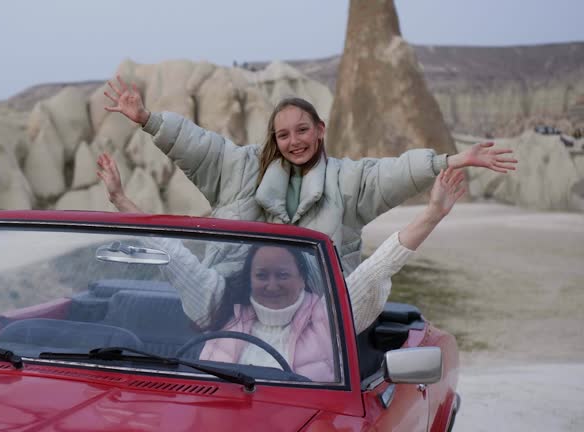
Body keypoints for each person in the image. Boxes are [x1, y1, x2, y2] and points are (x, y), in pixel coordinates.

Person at [97, 152, 466, 381]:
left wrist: (432, 214)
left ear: (300, 277)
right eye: (262, 275)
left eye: (282, 274)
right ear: (250, 278)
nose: (271, 284)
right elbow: (173, 254)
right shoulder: (222, 307)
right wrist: (120, 199)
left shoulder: (328, 316)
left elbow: (378, 267)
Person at [102, 75, 517, 275]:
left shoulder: (348, 181)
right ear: (274, 139)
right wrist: (147, 120)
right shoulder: (240, 168)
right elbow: (198, 145)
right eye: (283, 134)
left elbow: (391, 173)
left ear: (320, 130)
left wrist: (450, 160)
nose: (294, 141)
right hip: (228, 309)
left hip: (321, 326)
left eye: (303, 130)